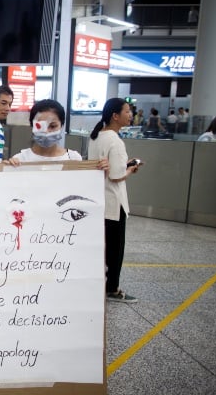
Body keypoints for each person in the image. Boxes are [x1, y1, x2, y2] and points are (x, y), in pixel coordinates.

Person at [88, 97, 141, 303]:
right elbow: (117, 175)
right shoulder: (115, 140)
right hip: (113, 202)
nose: (130, 115)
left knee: (102, 247)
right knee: (115, 249)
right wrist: (131, 169)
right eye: (127, 111)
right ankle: (113, 288)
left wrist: (122, 166)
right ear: (115, 116)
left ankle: (98, 283)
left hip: (99, 199)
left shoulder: (96, 137)